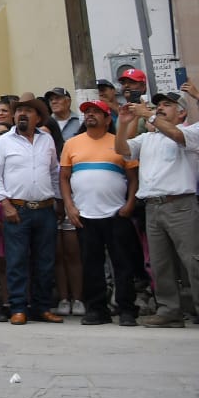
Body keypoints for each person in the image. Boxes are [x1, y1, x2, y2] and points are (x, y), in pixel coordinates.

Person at [115, 86, 199, 328]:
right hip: (153, 206)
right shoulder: (148, 138)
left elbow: (177, 137)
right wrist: (122, 123)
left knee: (193, 261)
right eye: (158, 105)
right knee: (160, 263)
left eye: (167, 105)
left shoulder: (190, 131)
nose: (160, 108)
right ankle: (169, 310)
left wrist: (149, 116)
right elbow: (122, 150)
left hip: (180, 205)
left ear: (182, 113)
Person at [60, 100, 138, 326]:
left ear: (107, 119)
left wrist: (130, 203)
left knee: (122, 264)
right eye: (87, 112)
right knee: (90, 264)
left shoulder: (120, 143)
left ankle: (126, 309)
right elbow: (64, 178)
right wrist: (70, 206)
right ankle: (96, 309)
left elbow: (133, 178)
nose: (91, 115)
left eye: (97, 112)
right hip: (85, 215)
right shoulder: (72, 144)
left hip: (116, 214)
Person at [0, 97, 63, 325]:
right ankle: (18, 307)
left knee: (45, 261)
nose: (22, 114)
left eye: (28, 111)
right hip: (17, 210)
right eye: (19, 110)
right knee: (17, 260)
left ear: (38, 117)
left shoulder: (47, 140)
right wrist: (6, 204)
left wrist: (58, 200)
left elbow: (53, 172)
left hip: (45, 208)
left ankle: (42, 307)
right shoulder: (4, 141)